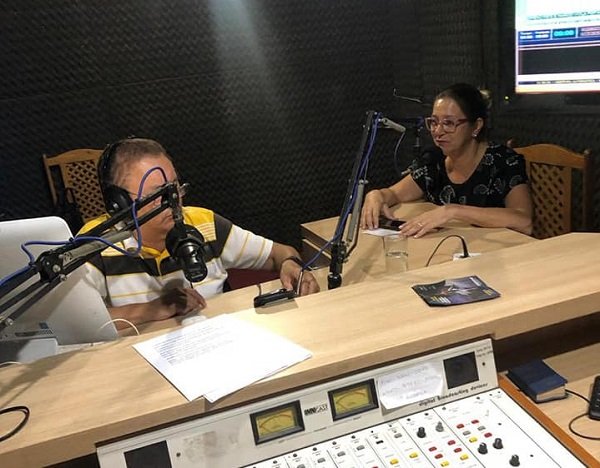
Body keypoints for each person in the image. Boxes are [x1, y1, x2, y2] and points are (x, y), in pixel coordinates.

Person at [80, 138, 319, 328]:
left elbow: (280, 253)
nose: (174, 201)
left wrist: (289, 264)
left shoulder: (204, 223)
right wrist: (148, 311)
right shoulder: (94, 244)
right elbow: (75, 325)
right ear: (120, 203)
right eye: (157, 195)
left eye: (174, 188)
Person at [360, 83, 533, 237]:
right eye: (434, 122)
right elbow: (394, 193)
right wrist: (376, 195)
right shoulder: (433, 160)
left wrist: (453, 211)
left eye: (449, 123)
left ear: (476, 126)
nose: (437, 131)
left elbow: (524, 221)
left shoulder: (504, 161)